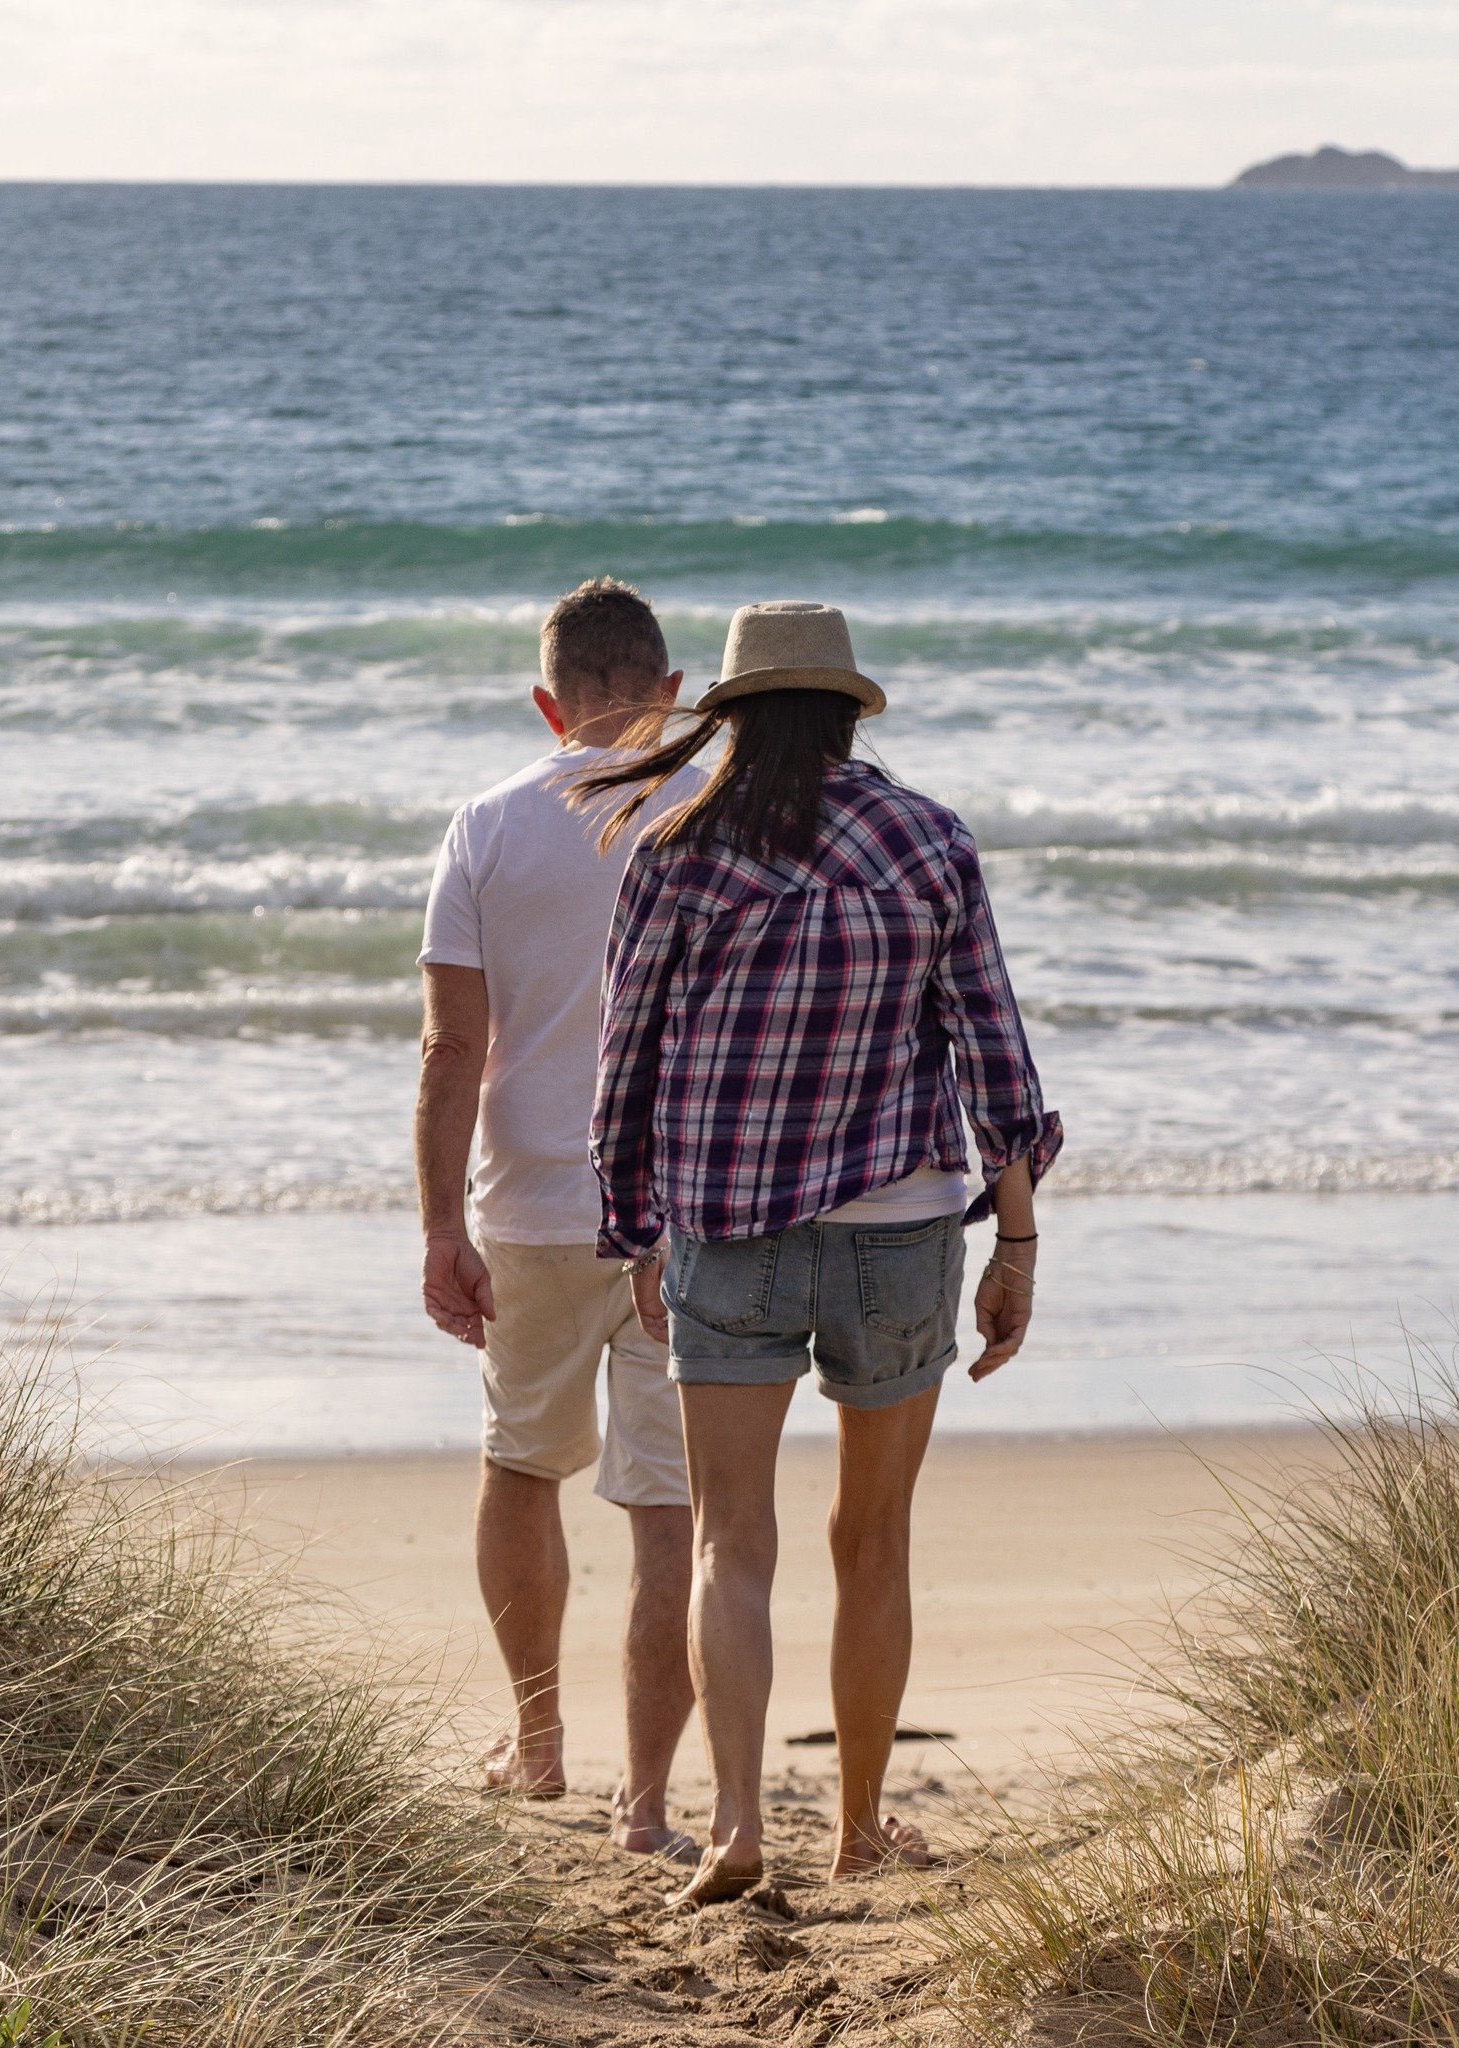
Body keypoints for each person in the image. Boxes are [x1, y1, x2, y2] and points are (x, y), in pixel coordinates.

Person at [576, 600, 1061, 1903]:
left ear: (730, 718)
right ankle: (853, 1829)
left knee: (733, 1540)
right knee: (876, 1539)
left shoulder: (673, 852)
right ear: (850, 712)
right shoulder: (930, 841)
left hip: (727, 1235)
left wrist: (631, 1231)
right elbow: (999, 1069)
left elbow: (624, 1075)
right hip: (900, 1239)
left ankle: (736, 1827)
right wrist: (1016, 1244)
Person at [416, 578, 706, 1857]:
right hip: (689, 1217)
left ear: (548, 704)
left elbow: (448, 1046)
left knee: (522, 1460)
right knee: (669, 1507)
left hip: (530, 1207)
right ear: (673, 690)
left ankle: (536, 1742)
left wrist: (438, 1227)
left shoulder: (483, 823)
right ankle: (646, 1804)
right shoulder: (710, 808)